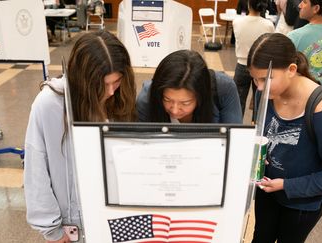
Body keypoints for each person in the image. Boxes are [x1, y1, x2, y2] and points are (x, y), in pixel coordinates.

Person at [24, 30, 136, 243]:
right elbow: (36, 168)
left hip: (114, 215)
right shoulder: (50, 103)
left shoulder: (118, 98)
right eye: (104, 84)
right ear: (84, 80)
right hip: (73, 224)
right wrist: (52, 229)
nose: (112, 91)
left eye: (117, 81)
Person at [248, 33, 322, 243]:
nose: (259, 87)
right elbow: (262, 131)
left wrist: (287, 185)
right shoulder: (266, 92)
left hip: (301, 204)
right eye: (255, 79)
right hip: (267, 190)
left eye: (265, 79)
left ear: (291, 70)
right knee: (261, 237)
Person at [136, 50, 242, 124]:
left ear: (201, 96)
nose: (175, 111)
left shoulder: (224, 88)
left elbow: (234, 138)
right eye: (167, 99)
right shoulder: (147, 99)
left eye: (185, 103)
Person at [233, 0, 274, 120]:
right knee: (260, 102)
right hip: (261, 66)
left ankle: (236, 127)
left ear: (248, 4)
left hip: (242, 65)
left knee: (238, 101)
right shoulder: (268, 25)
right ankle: (256, 127)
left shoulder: (237, 22)